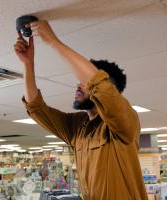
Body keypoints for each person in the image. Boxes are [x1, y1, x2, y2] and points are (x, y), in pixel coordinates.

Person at [14, 20, 147, 200]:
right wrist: (28, 64)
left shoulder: (125, 122)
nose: (78, 86)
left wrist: (53, 41)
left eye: (84, 83)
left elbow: (99, 84)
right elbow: (36, 108)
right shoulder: (77, 126)